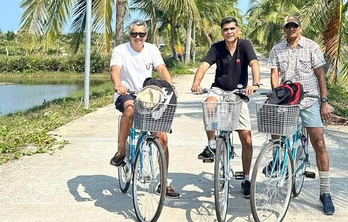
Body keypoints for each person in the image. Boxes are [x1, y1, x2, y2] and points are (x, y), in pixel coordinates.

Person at [268, 15, 335, 215]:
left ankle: (325, 193)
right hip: (288, 99)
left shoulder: (311, 46)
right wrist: (276, 93)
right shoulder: (277, 49)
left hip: (310, 100)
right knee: (273, 125)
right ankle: (278, 159)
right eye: (288, 26)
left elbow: (320, 75)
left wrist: (324, 102)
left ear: (300, 27)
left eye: (294, 25)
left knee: (319, 142)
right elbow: (274, 73)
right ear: (284, 29)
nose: (291, 29)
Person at [191, 17, 260, 198]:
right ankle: (212, 144)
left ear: (237, 30)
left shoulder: (245, 45)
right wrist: (196, 83)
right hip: (219, 90)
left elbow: (254, 63)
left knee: (247, 139)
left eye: (232, 29)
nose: (229, 32)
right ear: (222, 32)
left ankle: (246, 178)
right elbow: (204, 65)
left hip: (238, 93)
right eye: (225, 29)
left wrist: (256, 83)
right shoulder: (217, 48)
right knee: (209, 104)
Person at [110, 20, 180, 198]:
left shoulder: (151, 49)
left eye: (141, 34)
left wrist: (169, 86)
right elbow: (115, 69)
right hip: (127, 94)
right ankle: (121, 151)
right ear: (130, 35)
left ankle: (164, 181)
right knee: (130, 110)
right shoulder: (121, 50)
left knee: (162, 137)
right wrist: (118, 85)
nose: (138, 37)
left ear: (146, 35)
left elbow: (162, 68)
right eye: (134, 34)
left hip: (148, 95)